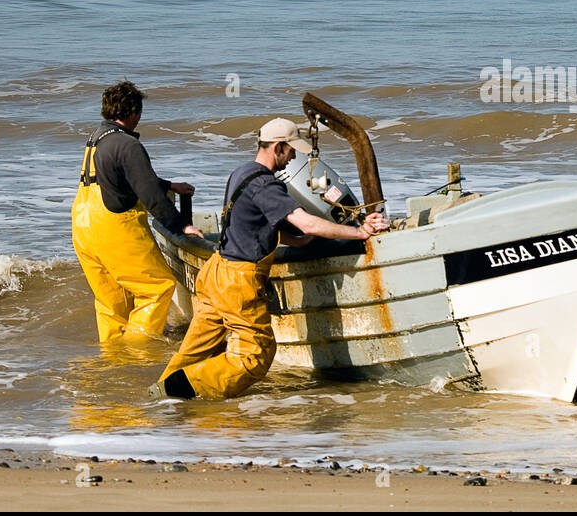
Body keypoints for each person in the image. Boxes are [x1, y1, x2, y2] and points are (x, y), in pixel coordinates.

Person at [149, 117, 388, 400]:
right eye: (290, 151)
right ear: (277, 147)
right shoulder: (266, 185)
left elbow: (251, 224)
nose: (293, 158)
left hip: (215, 273)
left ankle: (161, 399)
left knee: (195, 349)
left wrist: (296, 241)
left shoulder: (241, 173)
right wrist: (359, 232)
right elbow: (308, 223)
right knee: (256, 354)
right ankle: (182, 388)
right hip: (238, 281)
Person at [72, 80, 205, 342]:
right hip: (114, 229)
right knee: (157, 288)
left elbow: (117, 178)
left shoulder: (96, 138)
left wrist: (169, 185)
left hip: (83, 228)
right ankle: (135, 352)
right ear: (134, 112)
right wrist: (181, 226)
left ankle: (112, 356)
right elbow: (151, 196)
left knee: (112, 302)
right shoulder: (128, 145)